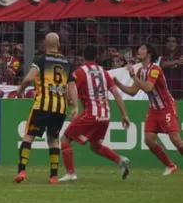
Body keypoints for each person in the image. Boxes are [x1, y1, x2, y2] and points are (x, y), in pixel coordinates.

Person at [59, 45, 131, 182]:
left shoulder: (80, 72)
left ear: (82, 58)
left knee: (65, 139)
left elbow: (71, 88)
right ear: (96, 57)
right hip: (105, 115)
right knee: (95, 146)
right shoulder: (103, 71)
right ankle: (120, 160)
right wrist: (124, 114)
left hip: (91, 114)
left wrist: (73, 105)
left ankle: (70, 173)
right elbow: (116, 92)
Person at [115, 43, 183, 176]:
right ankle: (171, 165)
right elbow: (133, 91)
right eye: (139, 48)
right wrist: (117, 84)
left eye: (142, 49)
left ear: (149, 54)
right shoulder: (141, 71)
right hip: (153, 109)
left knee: (175, 139)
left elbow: (148, 88)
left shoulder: (155, 69)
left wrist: (132, 75)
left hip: (166, 107)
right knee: (149, 140)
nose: (139, 51)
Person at [14, 32, 72, 184]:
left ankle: (22, 171)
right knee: (53, 140)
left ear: (45, 45)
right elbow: (72, 85)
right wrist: (74, 104)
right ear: (58, 45)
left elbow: (29, 78)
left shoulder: (40, 60)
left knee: (29, 136)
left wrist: (20, 90)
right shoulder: (67, 62)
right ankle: (53, 176)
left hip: (42, 104)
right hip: (60, 107)